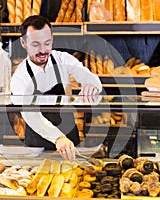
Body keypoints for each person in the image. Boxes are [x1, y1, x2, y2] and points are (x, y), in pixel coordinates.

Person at [10, 15, 102, 161]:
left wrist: (91, 85)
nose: (42, 50)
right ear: (23, 43)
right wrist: (58, 138)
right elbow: (31, 115)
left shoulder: (62, 59)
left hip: (69, 134)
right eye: (35, 45)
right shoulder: (20, 78)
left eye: (47, 43)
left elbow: (87, 76)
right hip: (38, 141)